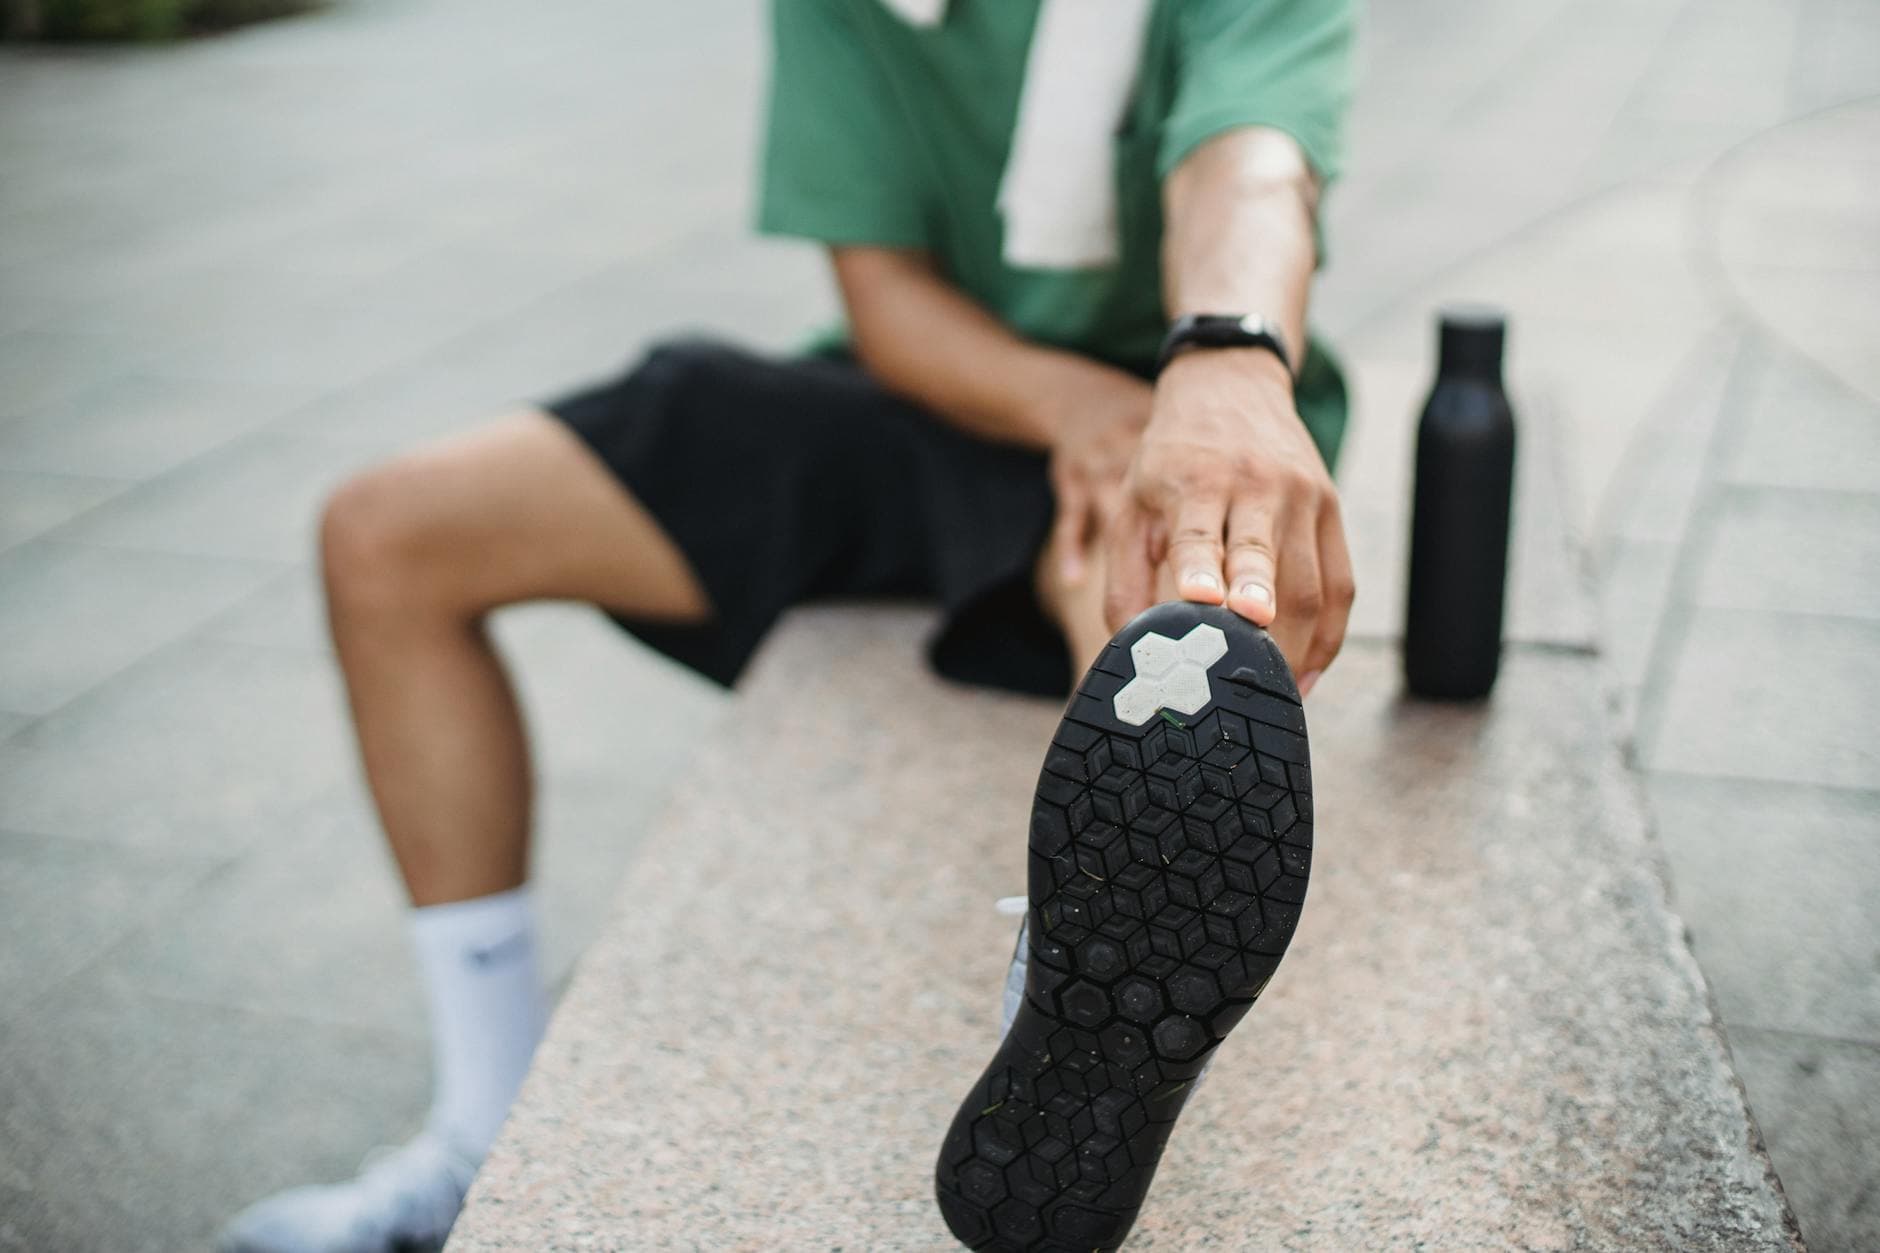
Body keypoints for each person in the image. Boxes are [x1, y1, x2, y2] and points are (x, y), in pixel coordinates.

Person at [219, 1, 1357, 1249]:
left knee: (1169, 665)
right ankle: (474, 1132)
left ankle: (1080, 1043)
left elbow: (1249, 161)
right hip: (933, 395)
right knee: (386, 533)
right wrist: (1071, 408)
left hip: (1186, 413)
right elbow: (884, 298)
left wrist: (1227, 360)